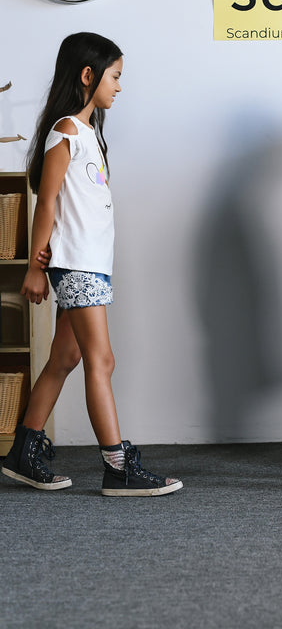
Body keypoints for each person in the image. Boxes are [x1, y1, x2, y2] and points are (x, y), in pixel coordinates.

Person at [1, 32, 182, 497]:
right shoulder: (65, 131)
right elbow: (47, 202)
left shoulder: (87, 133)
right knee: (102, 360)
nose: (119, 86)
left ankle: (23, 451)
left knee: (66, 357)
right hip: (76, 266)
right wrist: (36, 267)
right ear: (88, 75)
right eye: (115, 76)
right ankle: (117, 466)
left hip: (90, 265)